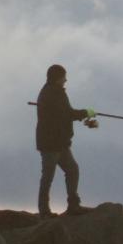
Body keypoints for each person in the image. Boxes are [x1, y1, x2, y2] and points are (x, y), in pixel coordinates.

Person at [36, 64, 95, 217]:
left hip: (60, 143)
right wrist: (86, 112)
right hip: (51, 144)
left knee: (72, 170)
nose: (66, 80)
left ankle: (73, 205)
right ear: (57, 78)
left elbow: (64, 115)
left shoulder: (52, 92)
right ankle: (44, 211)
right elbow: (67, 114)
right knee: (48, 176)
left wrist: (83, 115)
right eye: (63, 77)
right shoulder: (53, 93)